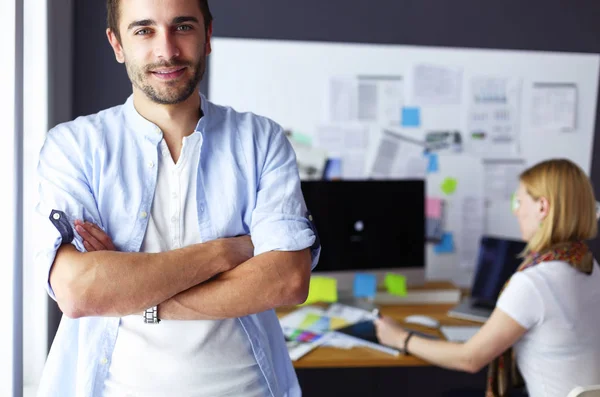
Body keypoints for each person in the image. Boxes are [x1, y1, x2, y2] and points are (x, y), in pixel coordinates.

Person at [34, 0, 320, 396]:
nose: (166, 51)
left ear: (208, 37)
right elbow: (79, 292)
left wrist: (131, 292)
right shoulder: (74, 147)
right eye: (144, 31)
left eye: (182, 27)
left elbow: (287, 280)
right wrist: (226, 252)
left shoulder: (261, 141)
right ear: (117, 45)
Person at [375, 158, 600, 397]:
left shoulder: (535, 282)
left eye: (520, 201)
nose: (516, 211)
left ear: (542, 207)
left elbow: (469, 359)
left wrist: (400, 337)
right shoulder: (587, 265)